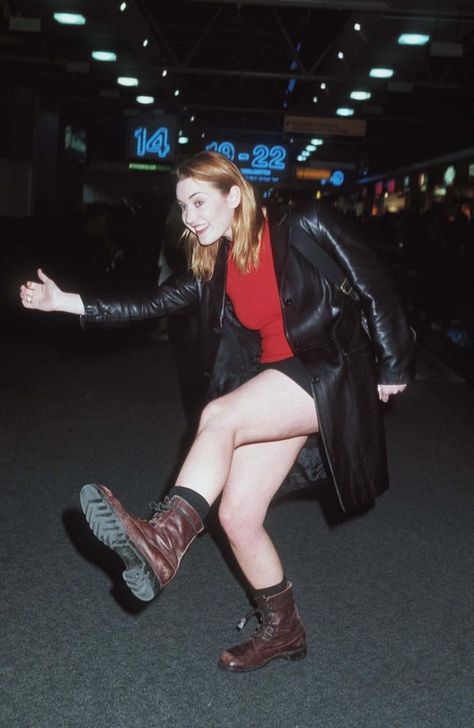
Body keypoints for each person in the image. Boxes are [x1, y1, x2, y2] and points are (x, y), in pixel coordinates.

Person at [20, 151, 414, 672]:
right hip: (280, 383)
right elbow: (152, 304)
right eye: (183, 207)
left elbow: (374, 285)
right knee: (237, 516)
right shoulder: (217, 266)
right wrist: (67, 302)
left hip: (331, 369)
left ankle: (163, 541)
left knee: (219, 418)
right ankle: (284, 630)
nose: (190, 217)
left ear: (235, 194)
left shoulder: (304, 224)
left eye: (199, 201)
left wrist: (394, 364)